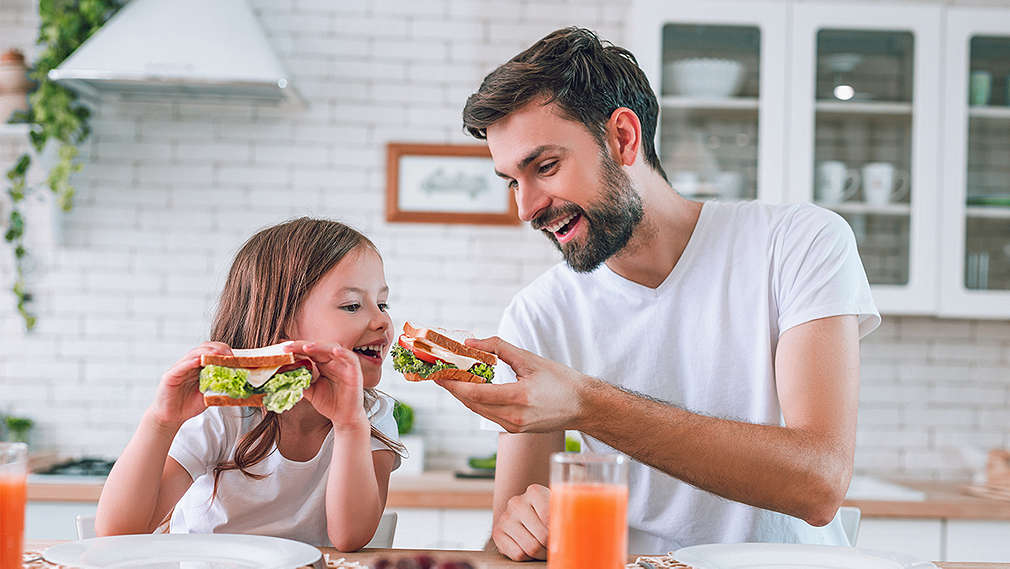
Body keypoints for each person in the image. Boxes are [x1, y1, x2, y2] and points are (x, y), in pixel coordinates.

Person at [435, 27, 880, 560]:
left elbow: (819, 482)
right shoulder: (539, 315)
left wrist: (585, 404)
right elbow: (512, 540)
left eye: (545, 167)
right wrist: (520, 529)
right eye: (511, 180)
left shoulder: (796, 242)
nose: (526, 207)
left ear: (624, 137)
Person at [94, 218, 403, 551]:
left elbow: (350, 537)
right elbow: (119, 533)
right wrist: (160, 422)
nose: (382, 320)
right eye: (352, 305)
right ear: (280, 322)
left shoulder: (371, 416)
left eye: (382, 303)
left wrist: (349, 424)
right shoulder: (223, 412)